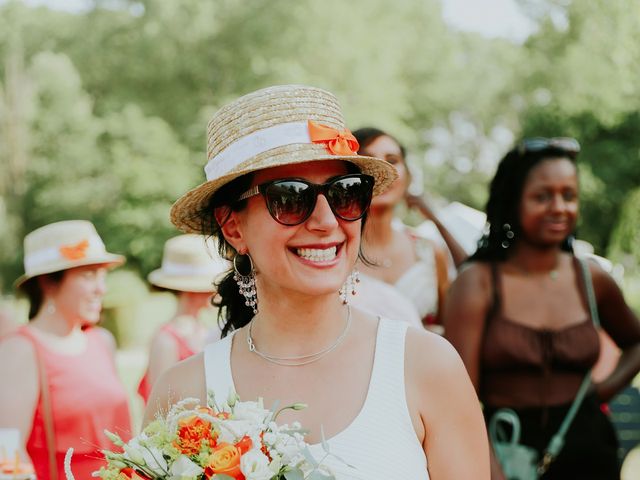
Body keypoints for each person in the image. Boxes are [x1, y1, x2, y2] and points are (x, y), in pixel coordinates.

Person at [144, 85, 489, 479]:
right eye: (290, 197)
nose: (327, 222)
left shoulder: (427, 366)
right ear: (232, 225)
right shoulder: (183, 394)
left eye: (345, 193)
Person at [443, 137, 640, 479]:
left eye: (569, 195)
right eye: (542, 196)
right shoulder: (478, 282)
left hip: (590, 451)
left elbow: (636, 342)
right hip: (507, 450)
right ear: (513, 200)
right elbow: (459, 400)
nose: (559, 207)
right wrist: (490, 471)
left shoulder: (591, 277)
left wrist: (600, 392)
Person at [0, 220, 132, 480]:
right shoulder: (21, 350)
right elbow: (7, 452)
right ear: (49, 283)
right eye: (88, 275)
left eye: (103, 275)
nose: (101, 289)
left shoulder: (102, 341)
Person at [351, 127, 467, 330]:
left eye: (392, 160)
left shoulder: (429, 252)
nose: (382, 169)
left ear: (408, 177)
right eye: (369, 159)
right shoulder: (333, 250)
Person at [137, 233, 229, 403]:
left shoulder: (204, 330)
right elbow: (158, 404)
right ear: (192, 291)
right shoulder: (166, 340)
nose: (218, 294)